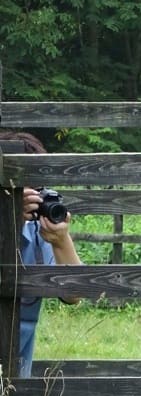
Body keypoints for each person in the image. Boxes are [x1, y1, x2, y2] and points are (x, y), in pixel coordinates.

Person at [0, 131, 82, 377]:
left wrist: (61, 240)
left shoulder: (37, 230)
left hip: (14, 378)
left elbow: (74, 294)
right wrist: (6, 215)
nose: (30, 198)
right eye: (20, 189)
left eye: (37, 189)